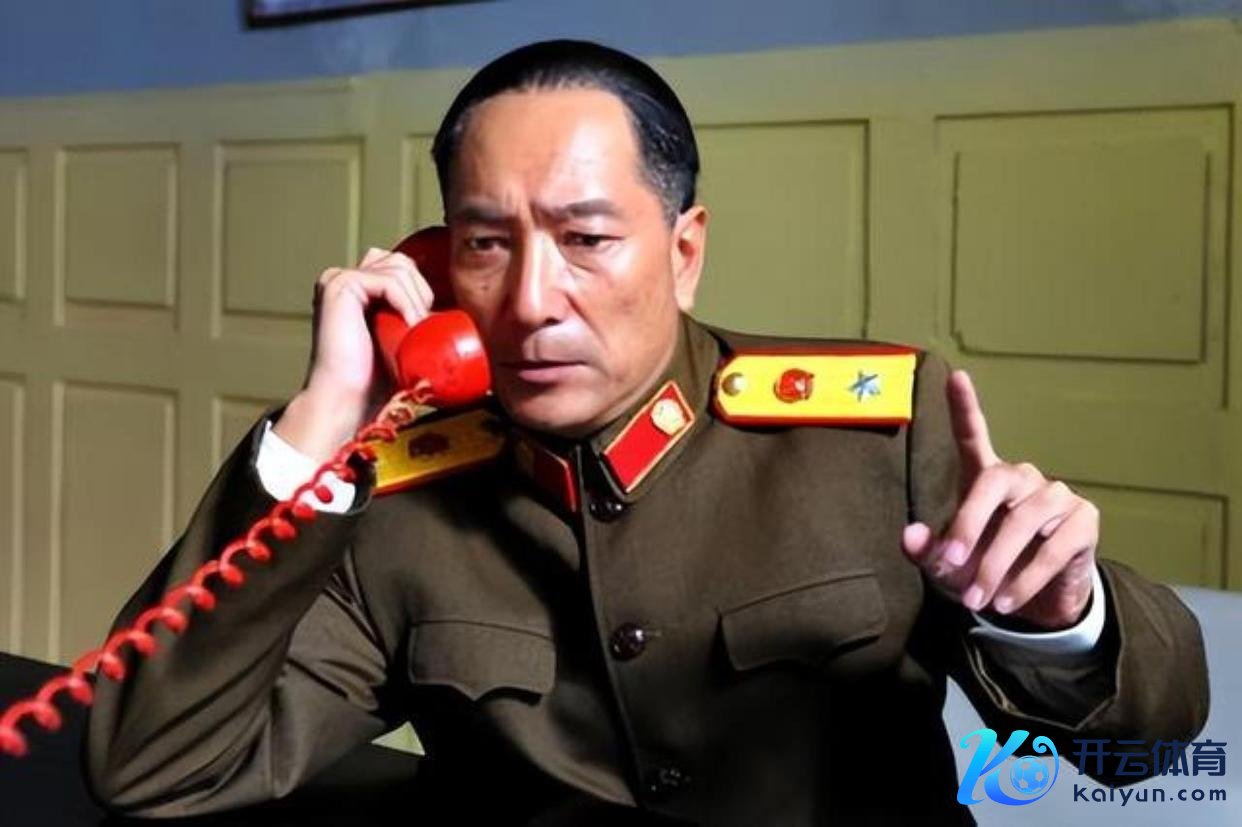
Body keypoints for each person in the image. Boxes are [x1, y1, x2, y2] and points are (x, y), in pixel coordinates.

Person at [84, 40, 1208, 825]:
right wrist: (317, 426)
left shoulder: (873, 427)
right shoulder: (393, 491)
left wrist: (1062, 621)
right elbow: (154, 768)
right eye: (484, 244)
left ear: (683, 250)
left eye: (586, 239)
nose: (532, 301)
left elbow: (1148, 748)